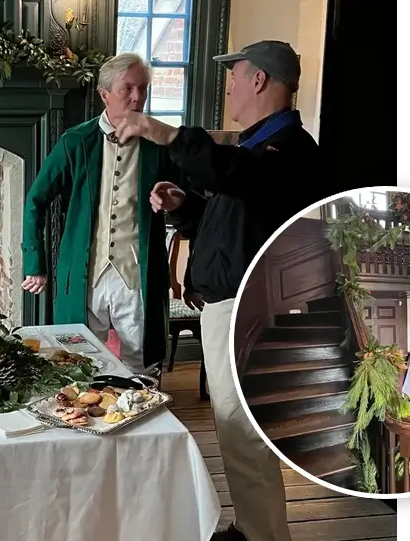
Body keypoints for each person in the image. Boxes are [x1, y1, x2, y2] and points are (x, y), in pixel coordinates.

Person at [114, 40, 325, 541]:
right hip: (227, 309)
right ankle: (253, 527)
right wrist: (186, 208)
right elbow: (235, 214)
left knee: (245, 432)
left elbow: (239, 177)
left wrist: (159, 130)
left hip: (249, 313)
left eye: (236, 76)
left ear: (259, 81)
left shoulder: (291, 150)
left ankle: (263, 535)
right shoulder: (256, 148)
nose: (229, 85)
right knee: (236, 432)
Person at [20, 53, 188, 375]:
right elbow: (36, 200)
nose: (138, 97)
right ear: (104, 94)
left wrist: (173, 202)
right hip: (84, 276)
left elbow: (186, 202)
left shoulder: (161, 144)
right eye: (128, 88)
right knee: (77, 365)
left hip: (137, 276)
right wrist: (34, 264)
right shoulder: (75, 142)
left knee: (141, 368)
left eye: (143, 88)